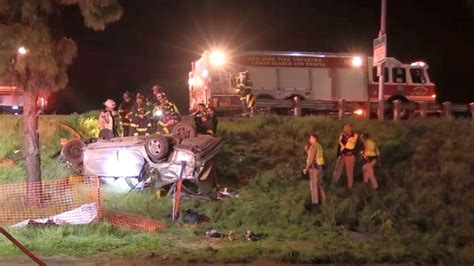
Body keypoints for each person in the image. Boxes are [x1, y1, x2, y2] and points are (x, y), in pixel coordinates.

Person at [333, 123, 359, 189]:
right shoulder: (342, 136)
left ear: (350, 128)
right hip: (342, 155)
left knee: (349, 172)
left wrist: (355, 154)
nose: (345, 129)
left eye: (347, 128)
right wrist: (338, 155)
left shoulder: (355, 136)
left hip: (349, 156)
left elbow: (358, 146)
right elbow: (339, 147)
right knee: (337, 170)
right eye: (344, 128)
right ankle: (334, 184)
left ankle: (350, 187)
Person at [303, 134, 326, 207]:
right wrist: (307, 151)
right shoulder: (318, 146)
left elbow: (310, 159)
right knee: (319, 185)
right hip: (320, 167)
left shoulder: (313, 147)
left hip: (314, 169)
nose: (309, 139)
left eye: (311, 138)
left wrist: (306, 169)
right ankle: (324, 201)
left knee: (313, 186)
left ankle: (315, 204)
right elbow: (315, 156)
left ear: (314, 139)